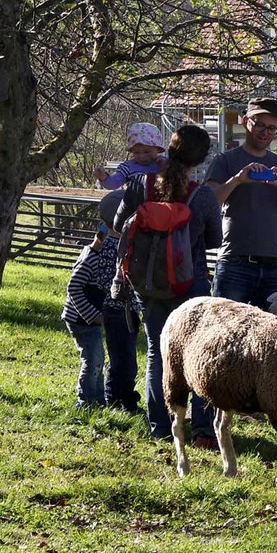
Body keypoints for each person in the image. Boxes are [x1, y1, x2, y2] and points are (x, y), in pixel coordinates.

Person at [139, 124, 223, 444]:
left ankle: (160, 428)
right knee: (199, 355)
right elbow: (214, 239)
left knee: (156, 355)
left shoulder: (145, 186)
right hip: (191, 287)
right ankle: (202, 428)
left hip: (148, 284)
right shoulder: (202, 195)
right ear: (200, 160)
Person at [204, 98, 277, 308]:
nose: (265, 132)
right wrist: (238, 179)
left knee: (271, 335)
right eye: (259, 124)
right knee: (225, 329)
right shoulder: (225, 160)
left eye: (271, 128)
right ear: (245, 121)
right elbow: (210, 203)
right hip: (235, 261)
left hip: (274, 264)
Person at [61, 195, 142, 412]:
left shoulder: (102, 248)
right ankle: (86, 401)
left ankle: (97, 401)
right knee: (93, 359)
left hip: (93, 316)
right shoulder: (95, 256)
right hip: (81, 318)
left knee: (97, 358)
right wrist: (92, 315)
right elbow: (74, 287)